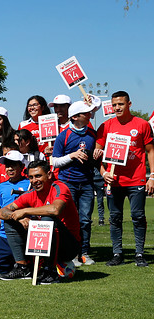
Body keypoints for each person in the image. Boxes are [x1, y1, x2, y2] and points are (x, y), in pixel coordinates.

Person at [0, 161, 81, 284]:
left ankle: (50, 271)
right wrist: (19, 218)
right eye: (31, 177)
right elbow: (1, 212)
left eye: (38, 176)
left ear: (49, 175)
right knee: (10, 221)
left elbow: (55, 210)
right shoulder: (30, 194)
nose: (34, 180)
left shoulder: (60, 188)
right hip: (45, 242)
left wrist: (25, 211)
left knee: (47, 220)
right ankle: (23, 268)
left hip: (69, 245)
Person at [96, 91, 154, 267]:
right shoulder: (106, 126)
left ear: (129, 104)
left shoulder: (142, 124)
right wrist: (103, 173)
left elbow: (150, 151)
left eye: (120, 104)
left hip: (136, 179)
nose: (117, 108)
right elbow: (97, 155)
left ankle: (139, 253)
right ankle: (117, 253)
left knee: (138, 216)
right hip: (114, 180)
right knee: (114, 217)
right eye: (114, 105)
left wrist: (152, 176)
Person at [52, 100, 100, 266]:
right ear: (75, 117)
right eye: (86, 113)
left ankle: (84, 253)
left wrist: (98, 153)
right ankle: (72, 253)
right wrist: (72, 155)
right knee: (70, 220)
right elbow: (55, 162)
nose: (89, 115)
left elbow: (97, 158)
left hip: (87, 183)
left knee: (85, 220)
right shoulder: (63, 136)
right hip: (68, 184)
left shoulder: (92, 135)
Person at [0, 151, 30, 278]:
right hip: (3, 234)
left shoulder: (30, 184)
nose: (10, 168)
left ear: (22, 166)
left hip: (22, 231)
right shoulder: (1, 186)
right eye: (7, 165)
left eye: (13, 165)